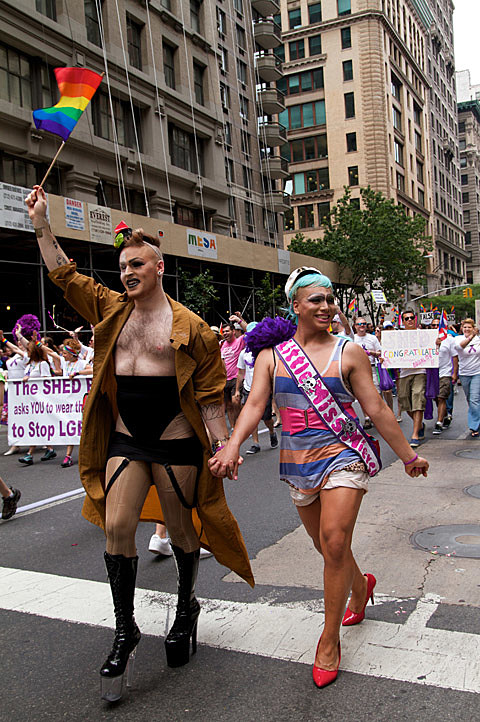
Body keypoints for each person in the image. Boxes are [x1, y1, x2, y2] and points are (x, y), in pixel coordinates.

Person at [26, 186, 253, 703]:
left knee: (178, 531)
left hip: (175, 445)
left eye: (137, 265)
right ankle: (125, 629)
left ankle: (187, 605)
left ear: (159, 267)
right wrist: (42, 223)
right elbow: (65, 275)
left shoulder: (192, 327)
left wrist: (223, 446)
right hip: (127, 441)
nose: (127, 273)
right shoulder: (109, 310)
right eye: (124, 265)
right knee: (118, 524)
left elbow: (211, 396)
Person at [209, 267, 428, 689]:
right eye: (317, 300)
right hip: (298, 459)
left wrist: (407, 455)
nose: (327, 307)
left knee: (332, 541)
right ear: (295, 306)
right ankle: (361, 586)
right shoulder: (273, 356)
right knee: (328, 546)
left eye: (330, 300)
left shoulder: (349, 352)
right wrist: (233, 444)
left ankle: (328, 640)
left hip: (345, 454)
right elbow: (255, 404)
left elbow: (377, 409)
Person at [235, 322, 278, 454]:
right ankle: (255, 443)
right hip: (249, 389)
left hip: (264, 390)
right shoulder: (243, 353)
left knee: (266, 419)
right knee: (251, 418)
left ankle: (272, 431)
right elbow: (241, 372)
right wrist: (237, 390)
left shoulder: (266, 352)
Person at [18, 336, 57, 466]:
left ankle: (29, 453)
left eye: (28, 351)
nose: (27, 353)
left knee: (35, 425)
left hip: (40, 400)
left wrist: (30, 379)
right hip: (30, 400)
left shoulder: (43, 364)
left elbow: (47, 381)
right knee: (37, 425)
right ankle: (50, 449)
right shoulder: (30, 365)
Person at [397, 310, 426, 447]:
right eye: (406, 318)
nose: (409, 320)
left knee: (417, 397)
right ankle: (419, 424)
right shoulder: (397, 337)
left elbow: (431, 349)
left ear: (415, 319)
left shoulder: (424, 335)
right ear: (403, 321)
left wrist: (436, 343)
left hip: (420, 371)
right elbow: (391, 352)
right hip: (404, 373)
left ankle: (415, 435)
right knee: (404, 401)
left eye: (411, 318)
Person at [431, 318, 458, 435]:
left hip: (445, 372)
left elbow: (455, 357)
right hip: (432, 373)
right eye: (433, 325)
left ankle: (439, 422)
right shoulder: (427, 338)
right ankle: (445, 414)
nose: (435, 327)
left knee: (442, 397)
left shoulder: (450, 340)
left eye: (438, 325)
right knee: (436, 398)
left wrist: (454, 373)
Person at [353, 317, 382, 429]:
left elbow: (380, 352)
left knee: (376, 393)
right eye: (359, 324)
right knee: (362, 395)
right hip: (357, 370)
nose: (361, 326)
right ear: (355, 326)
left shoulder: (372, 338)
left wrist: (372, 353)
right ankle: (367, 418)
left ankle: (377, 416)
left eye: (364, 324)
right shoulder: (352, 339)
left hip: (371, 368)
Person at [454, 318, 480, 437]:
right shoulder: (458, 339)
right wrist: (470, 337)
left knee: (474, 399)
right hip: (464, 373)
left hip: (477, 373)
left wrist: (475, 337)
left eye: (469, 327)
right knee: (470, 400)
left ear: (473, 328)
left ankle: (475, 426)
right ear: (461, 328)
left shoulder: (478, 340)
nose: (467, 329)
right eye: (465, 327)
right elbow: (460, 348)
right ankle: (476, 417)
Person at [220, 321, 245, 428]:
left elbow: (251, 332)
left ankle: (241, 423)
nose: (225, 333)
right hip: (225, 379)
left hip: (236, 377)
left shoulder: (240, 341)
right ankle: (233, 427)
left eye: (227, 331)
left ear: (233, 331)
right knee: (229, 406)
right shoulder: (222, 345)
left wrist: (239, 319)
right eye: (223, 331)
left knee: (236, 401)